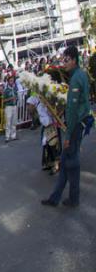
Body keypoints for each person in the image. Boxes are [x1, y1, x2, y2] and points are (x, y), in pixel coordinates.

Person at [42, 45, 92, 208]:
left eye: (66, 60)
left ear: (74, 60)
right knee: (65, 162)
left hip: (76, 125)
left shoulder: (77, 78)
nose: (64, 63)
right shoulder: (81, 75)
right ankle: (55, 198)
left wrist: (68, 135)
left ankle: (73, 198)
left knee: (72, 163)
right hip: (81, 121)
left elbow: (72, 110)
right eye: (63, 60)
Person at [26, 93, 59, 173]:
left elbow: (51, 112)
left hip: (50, 126)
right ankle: (48, 163)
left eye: (29, 105)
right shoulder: (38, 103)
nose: (28, 107)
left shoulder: (43, 103)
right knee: (46, 145)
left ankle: (56, 165)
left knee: (52, 145)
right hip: (46, 127)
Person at [3, 76, 18, 143]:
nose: (12, 82)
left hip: (14, 106)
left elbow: (16, 96)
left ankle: (13, 136)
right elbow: (4, 100)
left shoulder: (14, 89)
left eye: (13, 80)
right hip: (8, 106)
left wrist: (16, 98)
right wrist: (11, 98)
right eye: (10, 81)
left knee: (14, 121)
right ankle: (7, 137)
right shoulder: (6, 90)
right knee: (8, 122)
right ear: (8, 82)